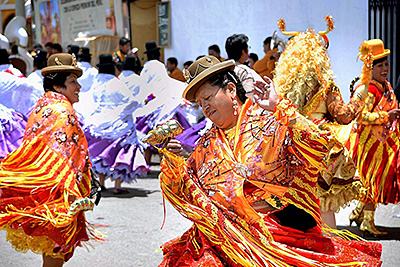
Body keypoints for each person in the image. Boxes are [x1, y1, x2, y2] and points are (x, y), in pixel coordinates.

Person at [156, 56, 382, 266]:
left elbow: (319, 146)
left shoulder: (268, 123)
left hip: (276, 229)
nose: (204, 107)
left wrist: (280, 108)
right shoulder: (207, 143)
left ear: (231, 90)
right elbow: (190, 195)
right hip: (225, 235)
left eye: (208, 97)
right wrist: (175, 163)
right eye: (199, 102)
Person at [0, 53, 100, 266]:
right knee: (56, 253)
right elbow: (65, 156)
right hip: (58, 194)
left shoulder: (42, 105)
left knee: (52, 253)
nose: (78, 87)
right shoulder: (63, 111)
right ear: (58, 85)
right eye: (73, 82)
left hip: (43, 191)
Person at [273, 20, 368, 228]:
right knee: (324, 205)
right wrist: (360, 95)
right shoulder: (327, 87)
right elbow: (343, 115)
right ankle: (330, 254)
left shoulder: (283, 87)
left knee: (295, 206)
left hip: (292, 148)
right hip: (319, 149)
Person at [347, 39, 400, 237]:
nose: (385, 68)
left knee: (375, 182)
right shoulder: (369, 89)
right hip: (369, 143)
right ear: (370, 67)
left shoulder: (383, 85)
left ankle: (358, 213)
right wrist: (387, 116)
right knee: (372, 181)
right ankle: (367, 222)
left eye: (386, 63)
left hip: (382, 142)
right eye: (380, 65)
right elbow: (360, 116)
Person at [77, 53, 148, 194]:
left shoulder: (96, 83)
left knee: (102, 155)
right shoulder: (116, 83)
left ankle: (101, 183)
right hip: (118, 126)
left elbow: (88, 101)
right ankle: (117, 185)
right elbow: (130, 101)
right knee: (119, 154)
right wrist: (135, 106)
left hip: (97, 124)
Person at [225, 34, 265, 100]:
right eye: (247, 48)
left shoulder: (225, 71)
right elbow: (250, 97)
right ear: (243, 51)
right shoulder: (244, 71)